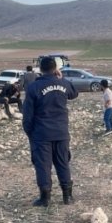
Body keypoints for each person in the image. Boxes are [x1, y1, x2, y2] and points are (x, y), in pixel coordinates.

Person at [22, 56, 79, 207]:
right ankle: (67, 196)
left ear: (40, 69)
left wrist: (30, 133)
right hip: (61, 132)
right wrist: (62, 78)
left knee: (43, 165)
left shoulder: (33, 87)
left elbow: (27, 115)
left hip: (41, 134)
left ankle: (45, 197)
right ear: (55, 69)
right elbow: (74, 93)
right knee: (62, 163)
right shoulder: (62, 83)